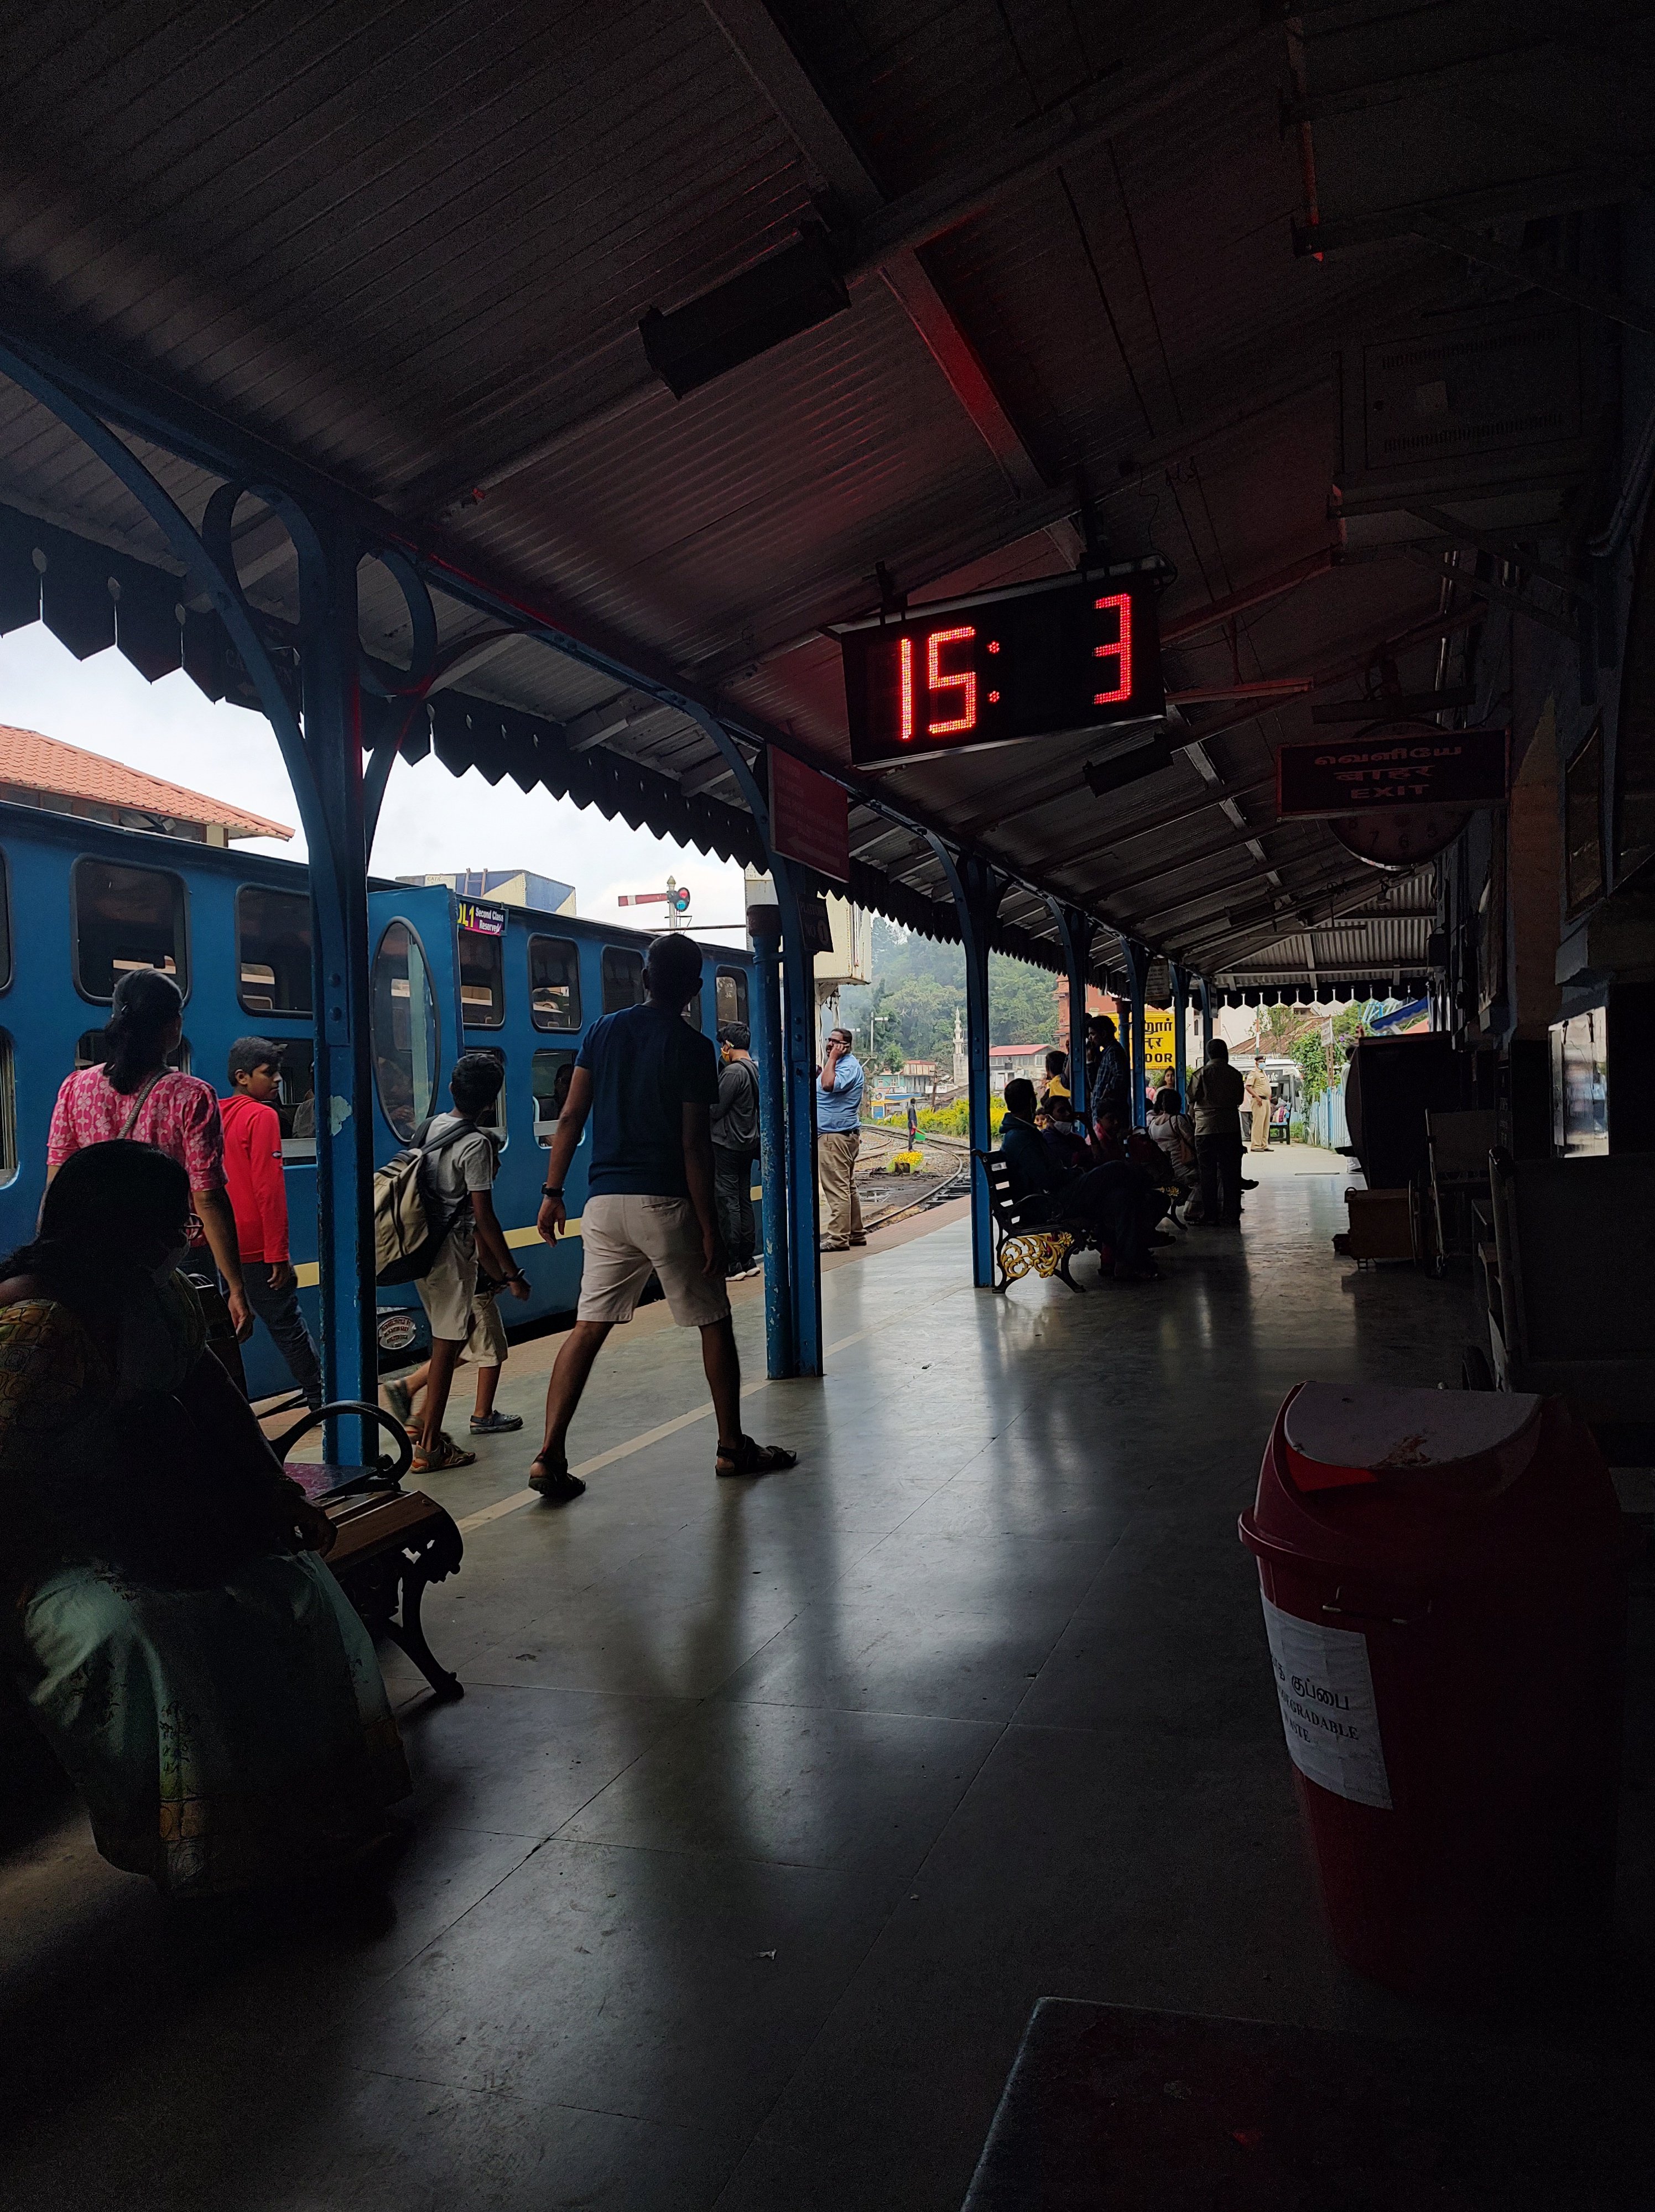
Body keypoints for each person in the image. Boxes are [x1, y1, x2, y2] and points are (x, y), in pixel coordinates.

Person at [0, 1141, 409, 1895]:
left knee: (289, 1587)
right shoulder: (35, 1325)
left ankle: (307, 1814)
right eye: (171, 1222)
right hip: (49, 1549)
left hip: (144, 1523)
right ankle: (208, 1851)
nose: (181, 1237)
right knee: (150, 1633)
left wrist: (275, 1494)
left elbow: (216, 1397)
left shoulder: (156, 1298)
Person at [532, 933, 797, 1500]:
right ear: (693, 990)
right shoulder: (693, 1045)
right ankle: (731, 1446)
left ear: (645, 978)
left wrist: (553, 1191)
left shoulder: (602, 1031)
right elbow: (694, 1145)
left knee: (588, 1328)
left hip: (603, 1204)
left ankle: (549, 1454)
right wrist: (709, 1226)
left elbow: (572, 1114)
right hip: (666, 1202)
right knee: (713, 1320)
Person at [48, 968, 252, 1371]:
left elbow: (58, 1183)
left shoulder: (75, 1088)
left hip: (96, 1255)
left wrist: (49, 1257)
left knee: (110, 1368)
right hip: (173, 1258)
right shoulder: (192, 1096)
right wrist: (236, 1286)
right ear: (173, 1027)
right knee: (190, 1368)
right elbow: (207, 1197)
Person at [405, 1053, 530, 1473]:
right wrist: (511, 1273)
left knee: (452, 1339)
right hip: (453, 1256)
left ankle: (422, 1424)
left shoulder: (428, 1128)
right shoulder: (476, 1143)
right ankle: (428, 1448)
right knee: (447, 1348)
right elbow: (484, 1216)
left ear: (451, 1090)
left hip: (421, 1250)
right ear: (491, 1101)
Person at [220, 1036, 322, 1410]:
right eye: (270, 1073)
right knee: (287, 1325)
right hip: (255, 1243)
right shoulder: (262, 1116)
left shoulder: (217, 1112)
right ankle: (319, 1398)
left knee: (227, 1329)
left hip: (221, 1241)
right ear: (243, 1077)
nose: (278, 1079)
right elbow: (269, 1188)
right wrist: (277, 1252)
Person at [998, 1078, 1159, 1282]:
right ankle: (1147, 1191)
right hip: (1048, 1204)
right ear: (1031, 1103)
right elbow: (1048, 1179)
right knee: (1115, 1169)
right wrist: (1074, 1174)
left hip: (1051, 1197)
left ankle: (1126, 1263)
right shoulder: (1021, 1138)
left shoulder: (1022, 1134)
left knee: (1122, 1198)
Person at [710, 1020, 760, 1279]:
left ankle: (733, 1263)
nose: (722, 1050)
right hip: (747, 1144)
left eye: (723, 1045)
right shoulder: (755, 1069)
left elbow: (716, 1109)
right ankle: (748, 1259)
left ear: (728, 1046)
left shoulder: (733, 1073)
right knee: (744, 1200)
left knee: (728, 1202)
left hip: (728, 1144)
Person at [816, 1025, 866, 1251]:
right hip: (838, 1136)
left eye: (836, 1042)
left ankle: (838, 1238)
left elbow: (828, 1085)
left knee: (837, 1190)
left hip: (834, 1138)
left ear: (846, 1046)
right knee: (847, 1187)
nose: (830, 1045)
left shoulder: (848, 1066)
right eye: (830, 1040)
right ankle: (855, 1233)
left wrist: (834, 1058)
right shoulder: (838, 1065)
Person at [1189, 1040, 1247, 1226]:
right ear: (1226, 1053)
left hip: (1205, 1130)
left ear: (1209, 1054)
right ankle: (1231, 1214)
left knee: (1208, 1173)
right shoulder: (1235, 1075)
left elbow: (1191, 1097)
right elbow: (1239, 1099)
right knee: (1231, 1172)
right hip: (1230, 1128)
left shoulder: (1200, 1074)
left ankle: (1210, 1215)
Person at [1146, 1085, 1201, 1220]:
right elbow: (1193, 1142)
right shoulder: (1177, 1120)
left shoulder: (1153, 1124)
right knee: (1209, 1176)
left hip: (1164, 1170)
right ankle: (1193, 1211)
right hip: (1182, 1168)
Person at [1086, 1015, 1130, 1126]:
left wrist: (1107, 1092)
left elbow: (1120, 1076)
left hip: (1109, 1114)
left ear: (1104, 1034)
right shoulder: (1105, 1053)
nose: (1090, 1039)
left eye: (1093, 1034)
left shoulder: (1114, 1052)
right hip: (1101, 1113)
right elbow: (1095, 1084)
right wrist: (1091, 1062)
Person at [1245, 1054, 1273, 1154]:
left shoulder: (1264, 1073)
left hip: (1265, 1101)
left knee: (1266, 1123)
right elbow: (1248, 1087)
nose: (1263, 1064)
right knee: (1258, 1123)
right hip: (1259, 1101)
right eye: (1261, 1062)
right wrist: (1257, 1097)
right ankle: (1256, 1145)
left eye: (1263, 1062)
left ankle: (1264, 1144)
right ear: (1256, 1063)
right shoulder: (1254, 1073)